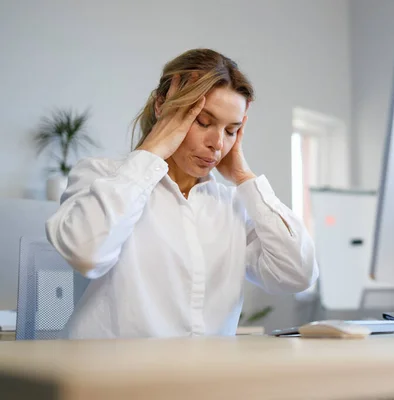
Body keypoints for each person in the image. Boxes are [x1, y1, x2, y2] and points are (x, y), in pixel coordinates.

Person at [46, 48, 319, 339]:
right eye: (203, 122)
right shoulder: (101, 176)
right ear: (162, 107)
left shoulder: (231, 206)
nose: (217, 143)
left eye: (231, 130)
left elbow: (298, 274)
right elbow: (86, 253)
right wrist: (153, 149)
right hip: (110, 378)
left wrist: (244, 178)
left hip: (199, 379)